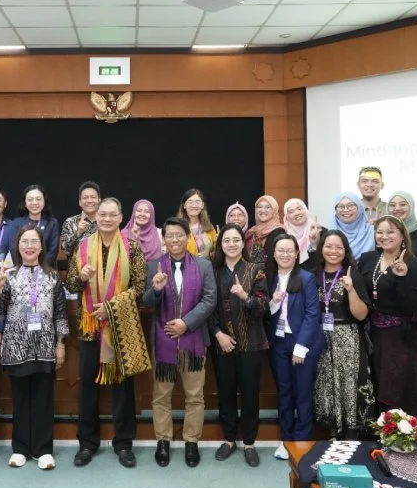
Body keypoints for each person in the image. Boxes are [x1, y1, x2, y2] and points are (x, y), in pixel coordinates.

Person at [65, 198, 149, 469]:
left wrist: (111, 309)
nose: (107, 219)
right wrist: (81, 276)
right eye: (103, 214)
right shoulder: (82, 247)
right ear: (96, 216)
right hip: (90, 328)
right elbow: (70, 284)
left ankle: (124, 444)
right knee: (87, 387)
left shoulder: (131, 247)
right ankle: (87, 444)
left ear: (121, 217)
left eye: (112, 215)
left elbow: (140, 286)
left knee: (122, 387)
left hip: (119, 325)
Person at [140, 217, 217, 468]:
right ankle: (163, 441)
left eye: (179, 235)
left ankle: (191, 442)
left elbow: (209, 300)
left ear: (188, 237)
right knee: (161, 396)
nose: (174, 239)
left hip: (193, 341)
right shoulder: (153, 266)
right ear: (164, 239)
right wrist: (156, 289)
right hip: (163, 342)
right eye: (169, 235)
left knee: (195, 396)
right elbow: (146, 302)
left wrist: (186, 323)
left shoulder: (204, 265)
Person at [0, 225, 68, 472]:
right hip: (16, 347)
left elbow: (60, 313)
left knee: (43, 400)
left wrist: (60, 343)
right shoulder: (8, 275)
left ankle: (43, 450)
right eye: (24, 241)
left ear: (41, 246)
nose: (29, 246)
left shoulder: (53, 276)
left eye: (34, 241)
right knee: (20, 400)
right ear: (18, 246)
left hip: (45, 347)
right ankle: (20, 449)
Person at [209, 224, 269, 467]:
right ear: (220, 244)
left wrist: (246, 297)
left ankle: (249, 442)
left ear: (243, 243)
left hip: (250, 342)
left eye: (236, 240)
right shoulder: (212, 271)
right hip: (222, 343)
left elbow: (264, 306)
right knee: (225, 392)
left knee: (250, 393)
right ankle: (229, 438)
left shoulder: (256, 269)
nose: (231, 244)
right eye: (226, 240)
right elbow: (206, 306)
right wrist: (217, 333)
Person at [357, 216, 417, 419]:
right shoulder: (368, 258)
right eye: (380, 232)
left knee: (398, 387)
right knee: (376, 383)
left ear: (402, 235)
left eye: (390, 232)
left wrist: (400, 278)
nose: (384, 236)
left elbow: (411, 305)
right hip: (373, 334)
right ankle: (379, 430)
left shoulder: (413, 263)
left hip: (401, 337)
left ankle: (400, 432)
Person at [312, 230, 375, 440]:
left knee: (349, 384)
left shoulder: (353, 275)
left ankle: (351, 434)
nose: (333, 251)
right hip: (321, 338)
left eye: (339, 247)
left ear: (345, 250)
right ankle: (332, 431)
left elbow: (362, 314)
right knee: (327, 384)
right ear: (321, 249)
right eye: (329, 246)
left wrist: (350, 290)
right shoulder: (313, 274)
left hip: (348, 338)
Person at [265, 232, 322, 460]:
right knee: (284, 392)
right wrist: (273, 302)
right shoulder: (269, 278)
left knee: (303, 394)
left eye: (290, 250)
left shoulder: (306, 278)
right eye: (281, 250)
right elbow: (265, 312)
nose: (285, 254)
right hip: (278, 343)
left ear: (297, 253)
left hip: (301, 344)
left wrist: (301, 347)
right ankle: (286, 439)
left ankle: (302, 441)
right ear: (274, 254)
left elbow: (312, 314)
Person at [11, 184, 60, 267]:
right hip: (22, 269)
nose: (34, 202)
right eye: (30, 199)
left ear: (44, 201)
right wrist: (25, 268)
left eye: (38, 199)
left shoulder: (52, 223)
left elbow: (53, 251)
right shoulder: (16, 223)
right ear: (25, 203)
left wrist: (39, 269)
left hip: (46, 269)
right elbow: (14, 249)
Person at [387, 191, 417, 258]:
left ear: (411, 206)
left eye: (403, 204)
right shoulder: (383, 234)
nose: (397, 208)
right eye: (392, 205)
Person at [60, 181, 101, 258]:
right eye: (85, 198)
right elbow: (65, 251)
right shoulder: (70, 222)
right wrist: (78, 233)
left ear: (99, 200)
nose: (89, 201)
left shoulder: (106, 221)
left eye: (93, 197)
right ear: (80, 202)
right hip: (77, 265)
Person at [330, 191, 375, 256]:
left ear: (360, 208)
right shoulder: (329, 234)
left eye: (350, 206)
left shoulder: (372, 232)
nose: (345, 210)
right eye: (341, 206)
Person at [177, 189, 217, 257]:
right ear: (184, 205)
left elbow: (214, 252)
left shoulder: (210, 228)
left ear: (202, 205)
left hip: (207, 263)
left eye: (197, 202)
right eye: (190, 202)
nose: (194, 206)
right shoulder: (177, 228)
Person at [245, 194, 284, 267]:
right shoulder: (251, 232)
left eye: (267, 207)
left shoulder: (279, 232)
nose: (263, 210)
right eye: (259, 207)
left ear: (274, 210)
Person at [283, 198, 319, 265]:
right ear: (287, 216)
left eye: (299, 209)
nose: (297, 213)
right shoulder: (283, 234)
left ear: (305, 210)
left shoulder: (318, 231)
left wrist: (315, 243)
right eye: (291, 212)